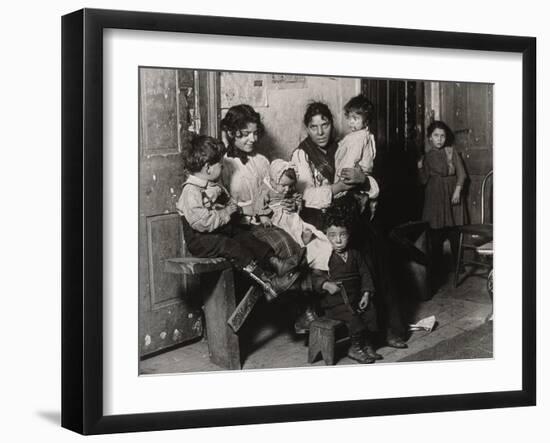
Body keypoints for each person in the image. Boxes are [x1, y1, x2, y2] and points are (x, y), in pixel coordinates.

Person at [291, 101, 408, 349]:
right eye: (314, 127)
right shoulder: (301, 154)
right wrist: (337, 188)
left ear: (334, 124)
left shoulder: (348, 143)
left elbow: (375, 184)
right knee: (357, 253)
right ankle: (364, 334)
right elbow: (305, 197)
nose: (320, 132)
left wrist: (364, 179)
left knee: (379, 250)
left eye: (325, 125)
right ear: (307, 129)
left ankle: (391, 328)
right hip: (320, 220)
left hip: (352, 215)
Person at [220, 104, 317, 332]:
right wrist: (250, 214)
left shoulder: (262, 161)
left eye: (255, 133)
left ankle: (308, 309)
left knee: (306, 242)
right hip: (244, 226)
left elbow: (277, 190)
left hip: (271, 219)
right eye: (245, 134)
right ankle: (302, 309)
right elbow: (224, 207)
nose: (252, 139)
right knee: (285, 245)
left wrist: (290, 201)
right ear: (231, 133)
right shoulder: (223, 165)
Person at [176, 135, 302, 301]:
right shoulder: (191, 191)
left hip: (216, 231)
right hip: (201, 239)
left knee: (245, 236)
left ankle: (276, 263)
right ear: (208, 168)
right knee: (232, 247)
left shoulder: (213, 185)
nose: (222, 166)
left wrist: (235, 209)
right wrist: (227, 211)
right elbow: (203, 223)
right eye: (220, 164)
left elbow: (229, 207)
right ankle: (267, 283)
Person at [314, 204, 382, 364]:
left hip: (355, 296)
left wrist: (366, 293)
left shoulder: (355, 254)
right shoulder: (325, 256)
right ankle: (355, 348)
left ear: (349, 234)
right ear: (326, 236)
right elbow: (314, 277)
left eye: (342, 235)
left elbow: (365, 274)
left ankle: (366, 344)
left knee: (370, 312)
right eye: (332, 235)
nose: (338, 240)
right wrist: (325, 284)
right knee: (354, 318)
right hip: (335, 302)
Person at [263, 159, 333, 272]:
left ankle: (306, 241)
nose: (287, 189)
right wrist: (264, 217)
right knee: (290, 232)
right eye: (283, 186)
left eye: (290, 186)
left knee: (303, 226)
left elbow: (296, 202)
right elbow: (259, 206)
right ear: (272, 181)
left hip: (292, 216)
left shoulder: (289, 191)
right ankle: (301, 245)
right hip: (277, 219)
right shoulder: (266, 191)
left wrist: (296, 204)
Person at [418, 120, 467, 277]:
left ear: (446, 138)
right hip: (435, 197)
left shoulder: (451, 152)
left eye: (442, 136)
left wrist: (458, 191)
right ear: (430, 138)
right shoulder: (427, 156)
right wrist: (419, 167)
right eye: (436, 135)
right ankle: (437, 268)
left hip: (452, 193)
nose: (439, 139)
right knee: (436, 233)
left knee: (454, 231)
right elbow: (424, 180)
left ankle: (458, 265)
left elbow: (462, 174)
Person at [334, 94, 380, 217]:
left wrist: (341, 177)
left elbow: (351, 158)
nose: (350, 122)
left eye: (355, 118)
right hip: (363, 175)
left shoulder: (358, 137)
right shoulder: (367, 135)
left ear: (366, 120)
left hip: (353, 175)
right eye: (349, 118)